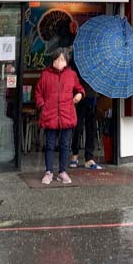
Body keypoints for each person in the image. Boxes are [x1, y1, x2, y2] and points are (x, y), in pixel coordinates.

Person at [35, 48, 85, 185]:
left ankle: (62, 172)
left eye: (62, 59)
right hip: (50, 115)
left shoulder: (71, 75)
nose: (59, 62)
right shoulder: (45, 75)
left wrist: (79, 95)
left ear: (67, 62)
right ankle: (49, 172)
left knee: (64, 145)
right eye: (57, 59)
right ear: (52, 60)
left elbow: (80, 89)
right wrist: (42, 106)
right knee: (50, 145)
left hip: (66, 115)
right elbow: (38, 93)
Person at [69, 61, 102, 170]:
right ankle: (74, 154)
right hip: (79, 97)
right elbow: (72, 75)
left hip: (92, 97)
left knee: (91, 129)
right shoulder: (78, 58)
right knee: (77, 128)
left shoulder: (98, 60)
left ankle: (89, 158)